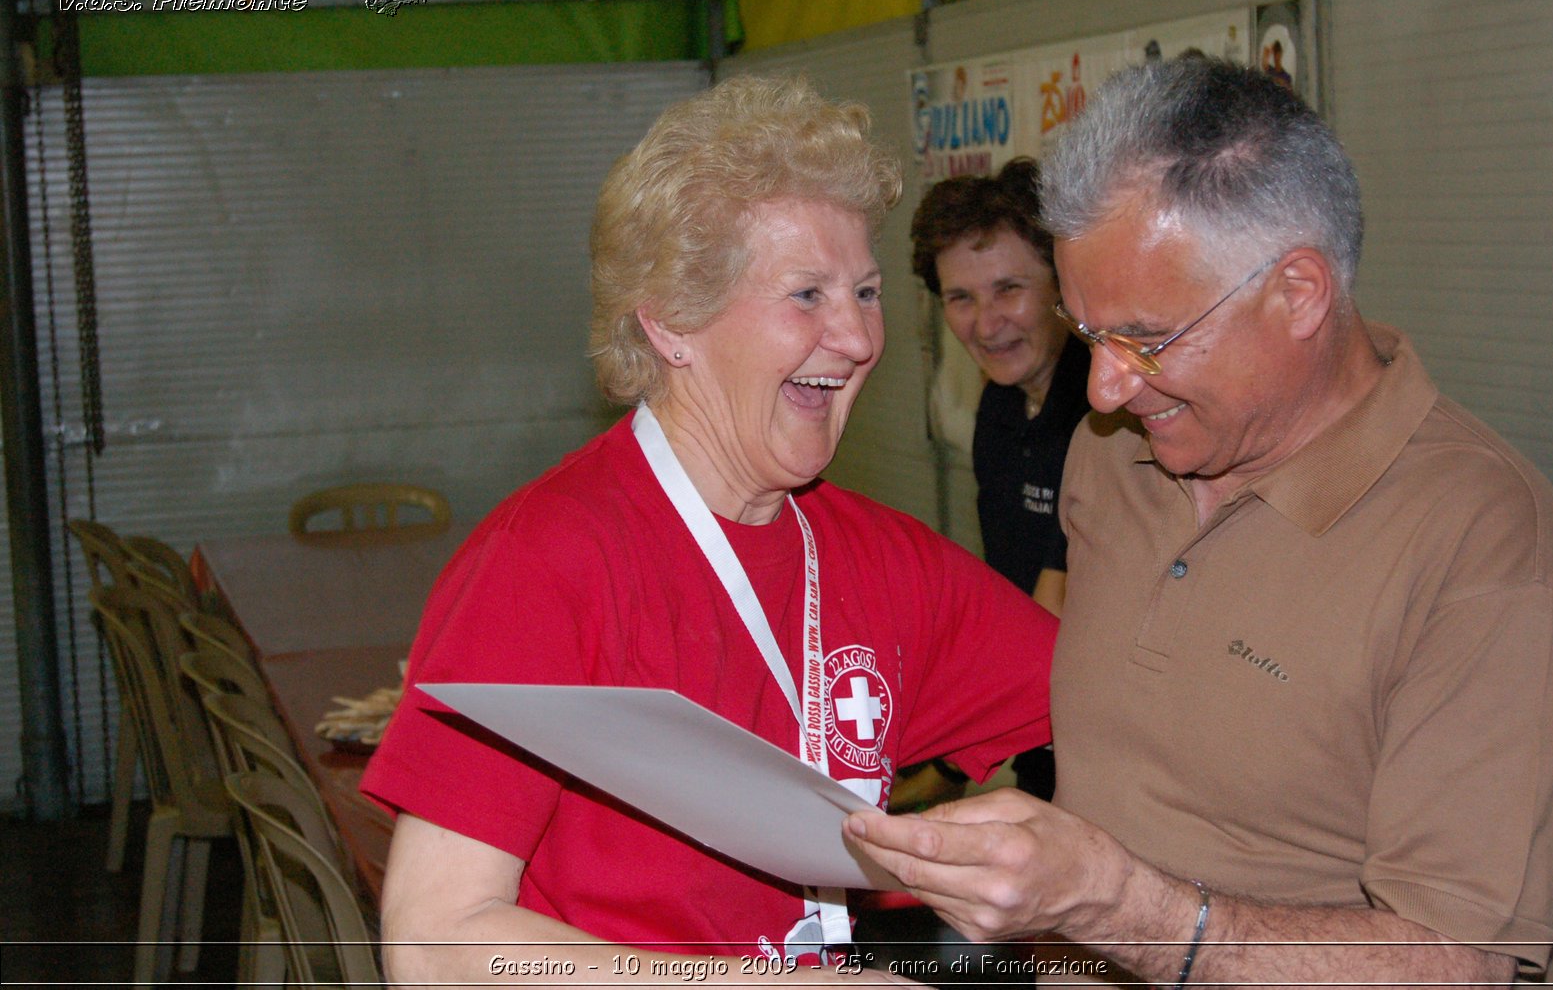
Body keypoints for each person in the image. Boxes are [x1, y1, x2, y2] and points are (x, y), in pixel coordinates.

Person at [846, 54, 1553, 986]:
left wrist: (1115, 903)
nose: (1107, 384)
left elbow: (1458, 965)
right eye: (1089, 336)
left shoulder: (1494, 548)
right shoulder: (1113, 453)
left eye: (1146, 340)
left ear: (1299, 295)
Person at [361, 75, 1057, 985]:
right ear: (673, 321)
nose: (856, 337)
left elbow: (1121, 716)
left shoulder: (884, 560)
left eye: (868, 291)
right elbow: (433, 940)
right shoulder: (549, 561)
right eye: (807, 295)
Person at [909, 159, 1090, 802]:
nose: (986, 325)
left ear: (1062, 285)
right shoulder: (1000, 407)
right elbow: (1004, 592)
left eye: (1009, 288)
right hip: (1042, 741)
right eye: (962, 298)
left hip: (1112, 758)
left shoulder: (1104, 412)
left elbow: (1052, 610)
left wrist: (950, 765)